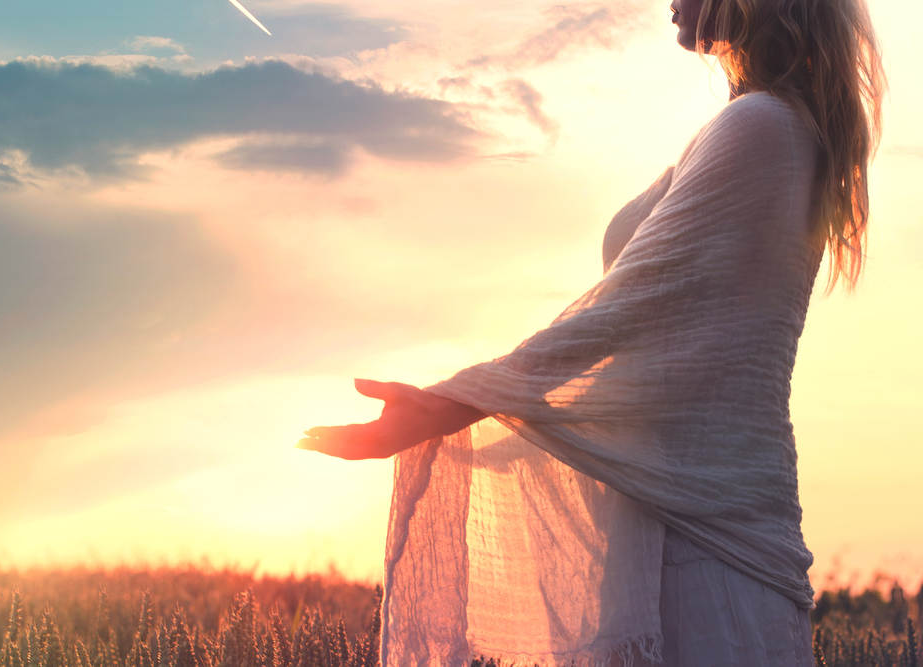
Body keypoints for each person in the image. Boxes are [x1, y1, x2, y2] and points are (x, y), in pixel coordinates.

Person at [298, 0, 885, 664]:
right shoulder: (770, 127)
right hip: (678, 528)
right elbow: (646, 348)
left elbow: (618, 315)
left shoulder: (762, 128)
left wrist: (447, 406)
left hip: (703, 557)